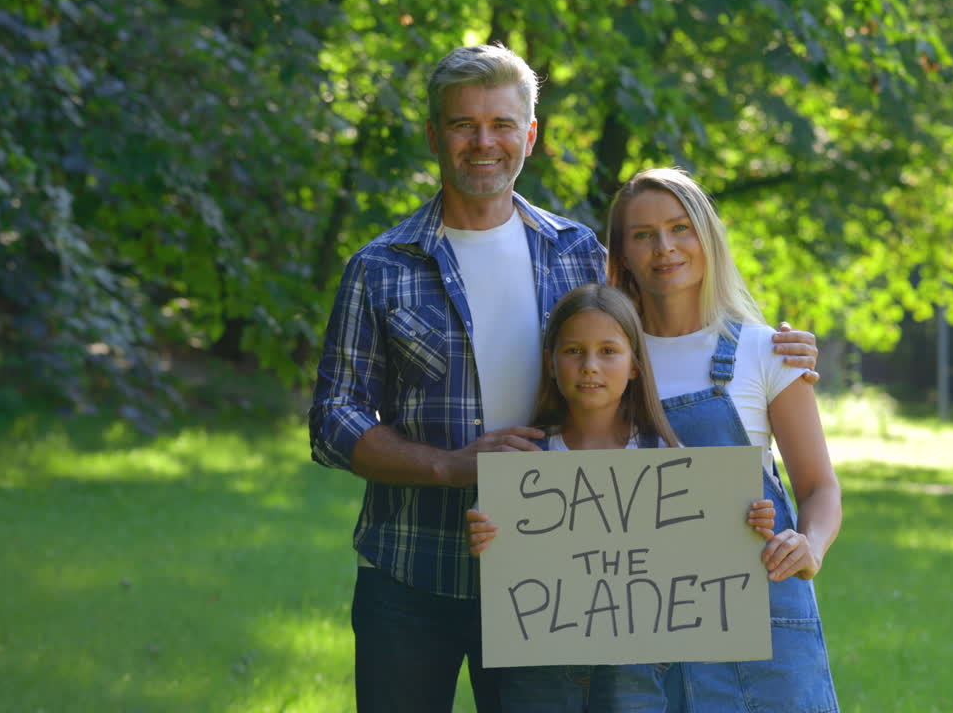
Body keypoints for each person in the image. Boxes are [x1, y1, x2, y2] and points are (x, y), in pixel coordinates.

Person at [308, 42, 819, 713]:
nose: (483, 142)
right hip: (411, 571)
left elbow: (658, 332)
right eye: (463, 125)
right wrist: (452, 467)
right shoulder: (380, 267)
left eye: (501, 125)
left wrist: (768, 345)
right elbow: (333, 421)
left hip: (557, 581)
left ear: (529, 136)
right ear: (434, 136)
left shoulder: (577, 253)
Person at [466, 283, 782, 711]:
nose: (590, 366)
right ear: (551, 363)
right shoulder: (523, 460)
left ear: (635, 364)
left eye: (608, 351)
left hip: (635, 674)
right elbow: (503, 563)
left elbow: (696, 553)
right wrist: (485, 537)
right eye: (573, 351)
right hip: (539, 673)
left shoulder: (667, 457)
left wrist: (743, 528)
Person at [600, 167, 842, 712]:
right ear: (623, 255)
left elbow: (819, 487)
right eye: (643, 235)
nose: (664, 247)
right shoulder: (605, 360)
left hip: (757, 618)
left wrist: (811, 544)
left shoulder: (767, 351)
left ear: (707, 236)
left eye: (679, 228)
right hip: (639, 625)